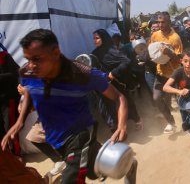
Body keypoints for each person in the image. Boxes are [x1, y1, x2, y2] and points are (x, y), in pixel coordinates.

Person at [1, 29, 128, 183]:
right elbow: (29, 92)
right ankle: (125, 165)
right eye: (28, 59)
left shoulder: (82, 73)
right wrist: (20, 122)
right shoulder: (28, 73)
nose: (31, 65)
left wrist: (121, 125)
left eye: (37, 59)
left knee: (70, 178)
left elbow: (119, 97)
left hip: (80, 134)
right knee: (97, 171)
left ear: (55, 53)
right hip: (56, 140)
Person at [92, 29, 143, 131]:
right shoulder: (94, 53)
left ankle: (137, 119)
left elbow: (126, 61)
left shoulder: (112, 51)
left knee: (125, 101)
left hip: (117, 81)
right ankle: (114, 128)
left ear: (103, 38)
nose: (94, 41)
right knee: (105, 107)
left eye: (97, 38)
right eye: (93, 38)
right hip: (104, 83)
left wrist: (113, 72)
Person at [149, 11, 183, 133]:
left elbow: (180, 59)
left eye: (163, 22)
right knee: (156, 98)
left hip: (174, 75)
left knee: (181, 101)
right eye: (158, 22)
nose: (160, 24)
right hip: (161, 73)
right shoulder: (155, 35)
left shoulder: (175, 38)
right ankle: (171, 122)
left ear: (169, 22)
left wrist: (169, 53)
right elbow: (151, 50)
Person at [0, 42, 20, 155]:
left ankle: (16, 155)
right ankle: (6, 157)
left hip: (8, 99)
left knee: (11, 128)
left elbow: (15, 73)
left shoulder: (4, 56)